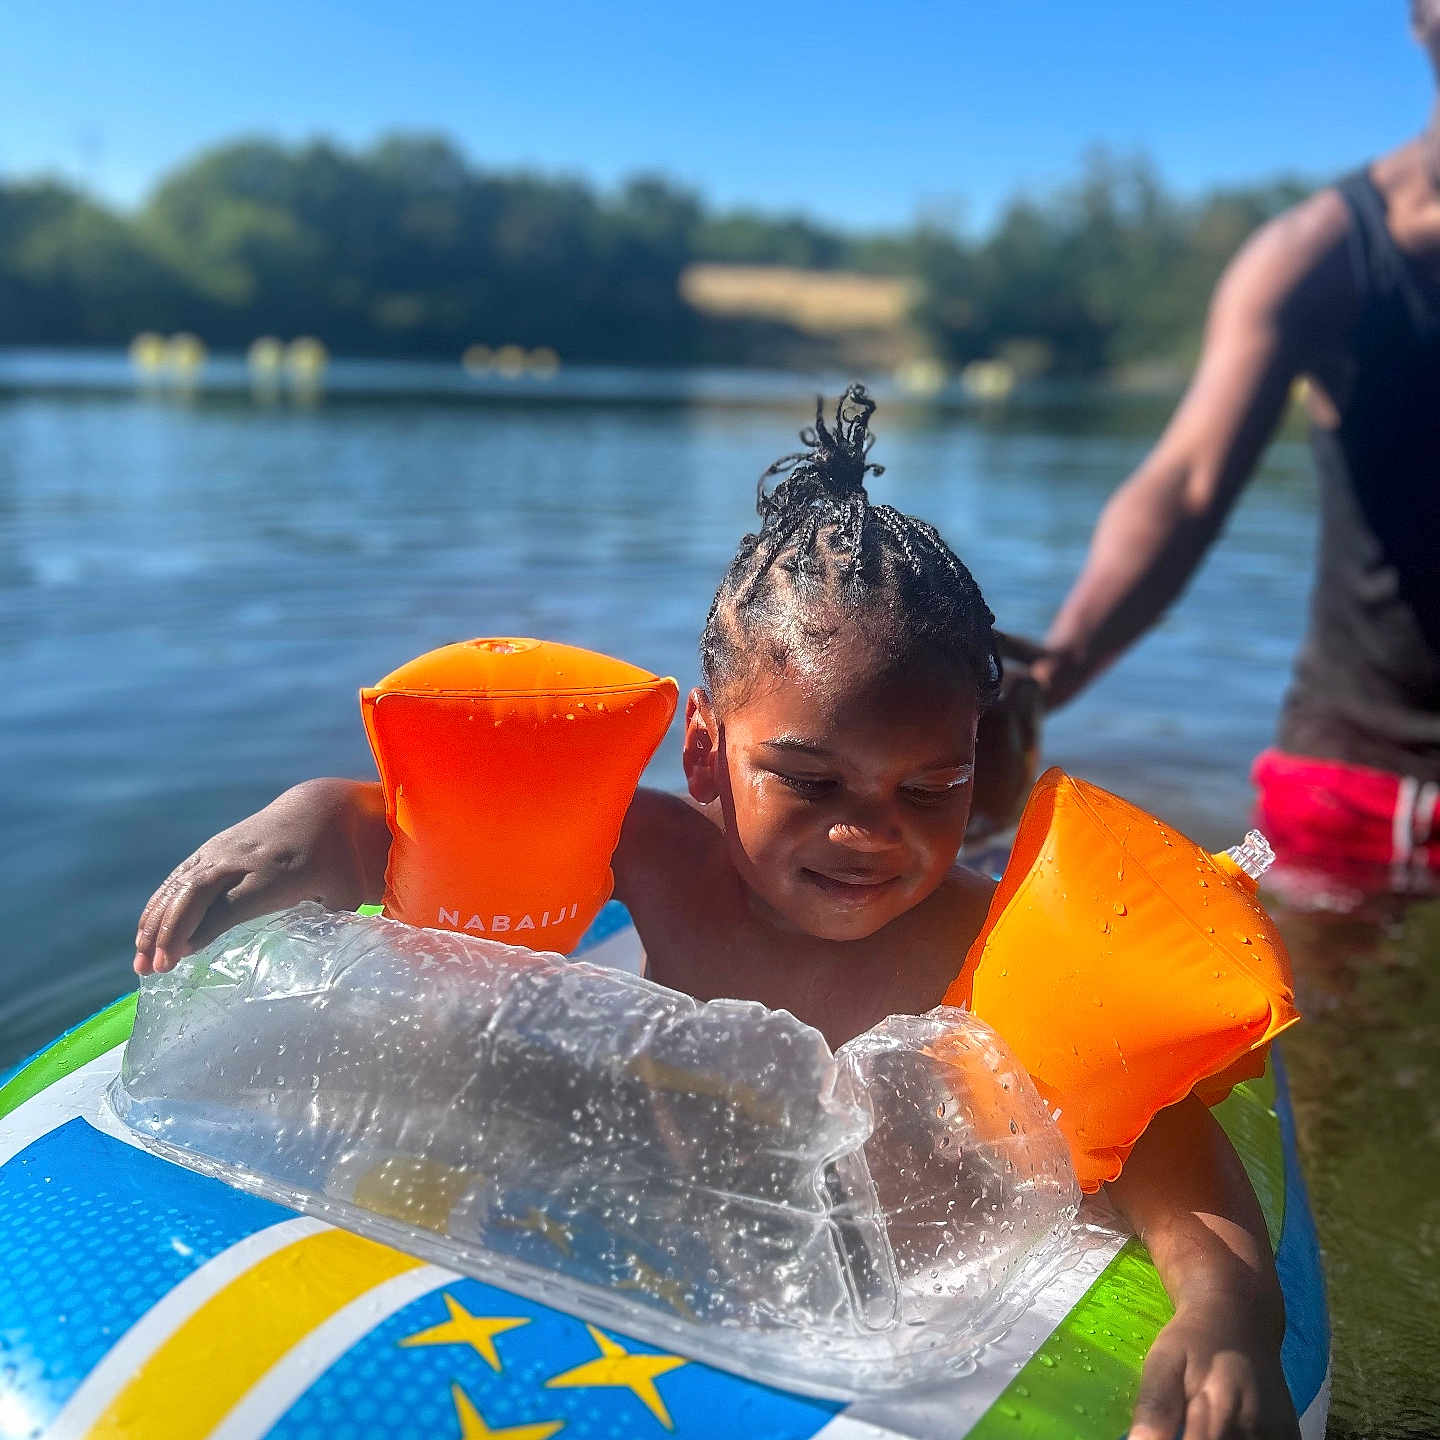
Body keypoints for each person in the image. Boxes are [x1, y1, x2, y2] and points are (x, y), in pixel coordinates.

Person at [133, 387, 1297, 1440]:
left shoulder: (979, 945)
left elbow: (1160, 1140)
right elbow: (410, 833)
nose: (868, 832)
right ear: (705, 752)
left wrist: (1229, 1312)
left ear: (969, 765)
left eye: (927, 790)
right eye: (808, 779)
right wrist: (297, 823)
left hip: (860, 1281)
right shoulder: (664, 860)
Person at [1033, 2, 1440, 901]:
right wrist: (1055, 669)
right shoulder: (1322, 257)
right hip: (1350, 797)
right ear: (1418, 16)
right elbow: (1185, 484)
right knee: (1319, 1031)